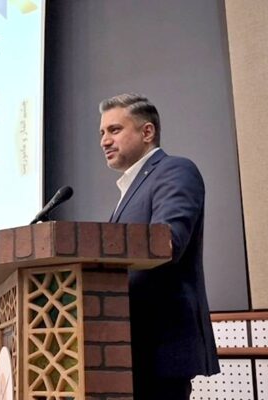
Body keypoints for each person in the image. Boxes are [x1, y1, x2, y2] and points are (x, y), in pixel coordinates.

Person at [98, 93, 219, 399]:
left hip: (161, 344)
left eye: (114, 130)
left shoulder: (175, 170)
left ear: (147, 132)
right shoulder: (129, 190)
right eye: (102, 133)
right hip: (129, 345)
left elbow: (169, 240)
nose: (104, 141)